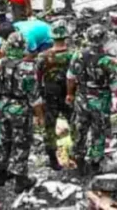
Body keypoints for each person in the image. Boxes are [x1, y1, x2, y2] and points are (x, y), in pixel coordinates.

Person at [67, 25, 117, 175]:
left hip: (82, 97)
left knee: (80, 128)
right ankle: (95, 161)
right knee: (98, 131)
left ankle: (79, 157)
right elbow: (115, 84)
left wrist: (70, 94)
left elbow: (70, 77)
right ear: (104, 40)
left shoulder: (78, 55)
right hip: (100, 100)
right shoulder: (106, 61)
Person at [0, 31, 41, 192]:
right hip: (21, 109)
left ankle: (1, 175)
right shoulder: (29, 68)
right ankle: (20, 179)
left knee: (4, 140)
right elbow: (34, 96)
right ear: (24, 47)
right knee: (22, 143)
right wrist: (39, 115)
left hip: (2, 106)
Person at [36, 21, 74, 171]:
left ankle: (53, 160)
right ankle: (77, 155)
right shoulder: (73, 55)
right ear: (66, 36)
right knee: (75, 125)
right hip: (69, 94)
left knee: (50, 128)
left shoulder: (43, 57)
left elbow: (38, 78)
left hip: (50, 95)